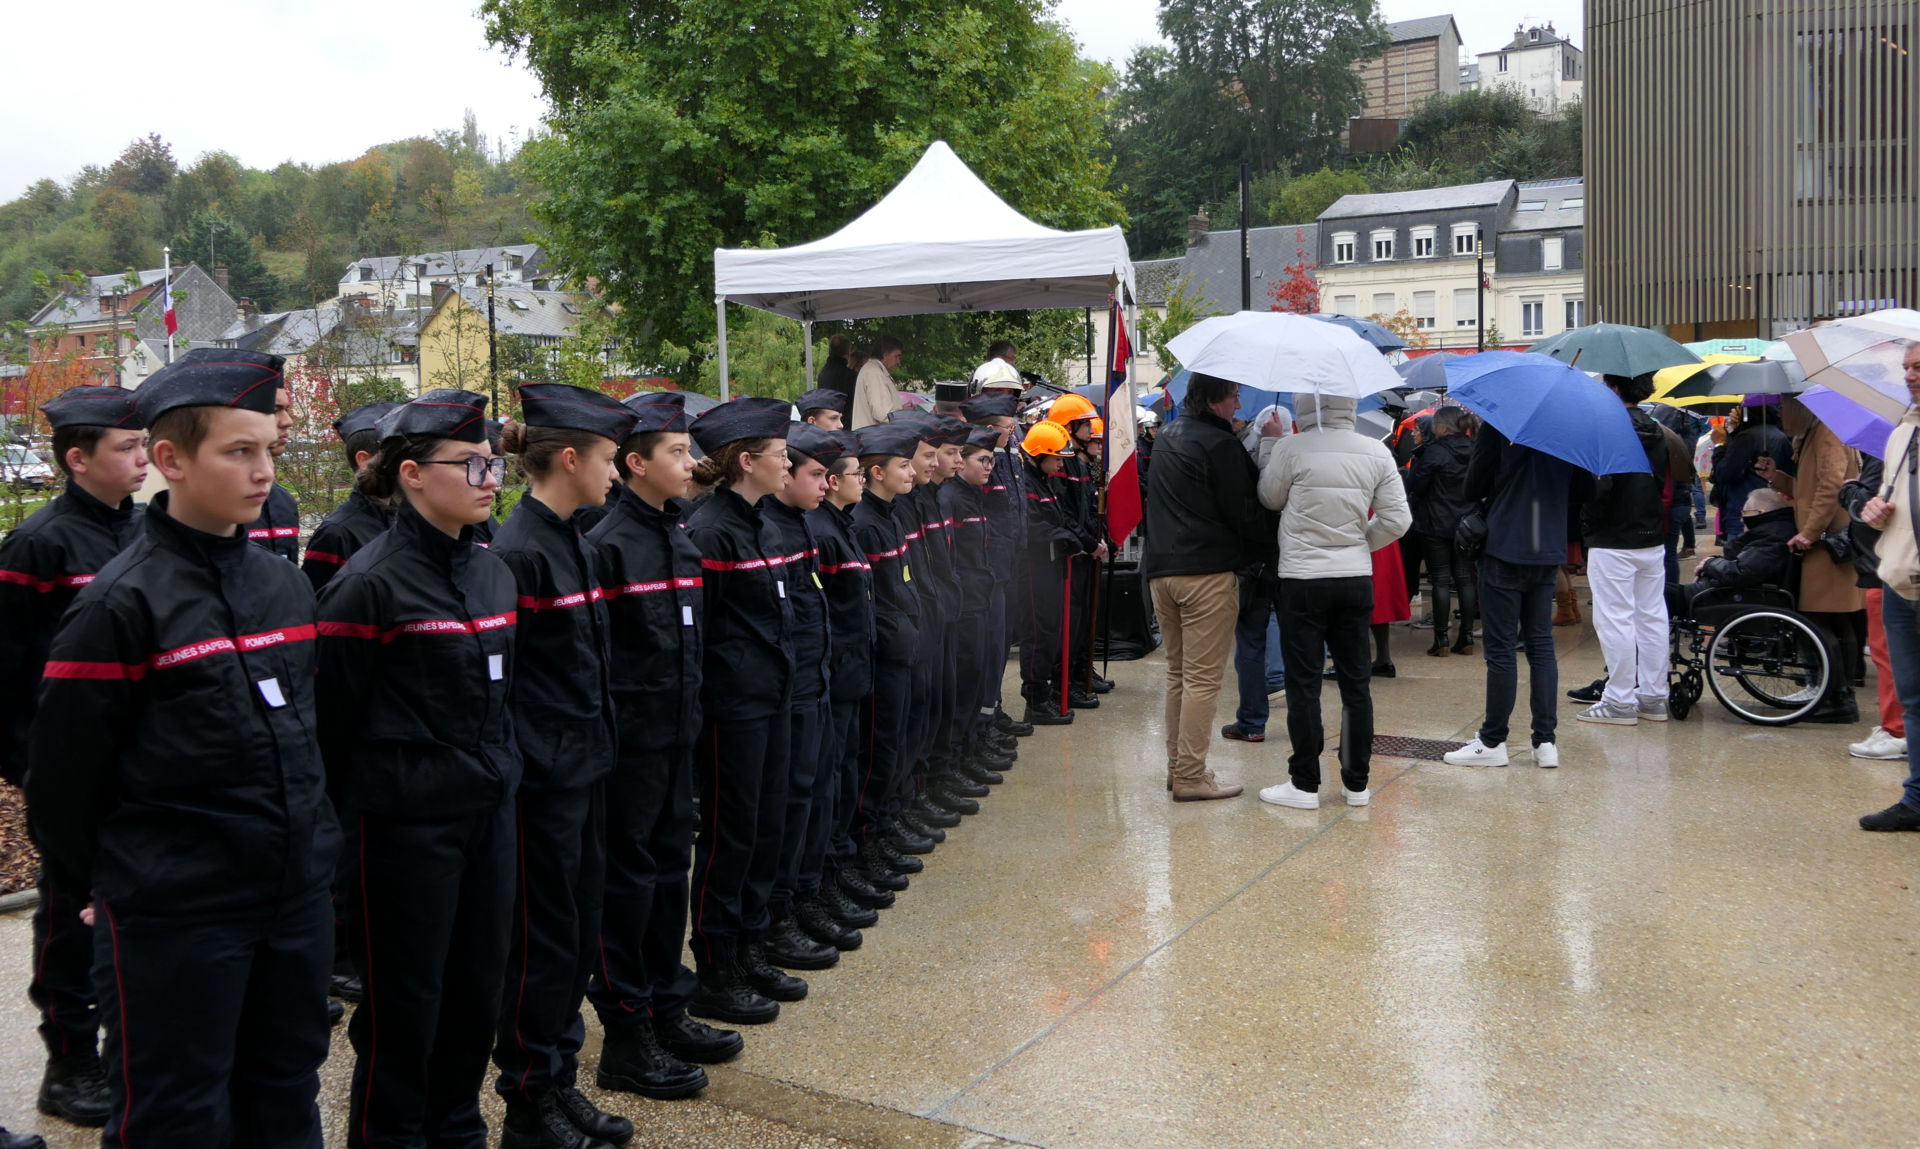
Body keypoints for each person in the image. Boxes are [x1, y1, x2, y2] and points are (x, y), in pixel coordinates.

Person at [28, 347, 342, 1148]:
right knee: (177, 1113)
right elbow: (63, 783)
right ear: (169, 458)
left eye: (270, 447)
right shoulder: (120, 605)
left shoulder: (283, 583)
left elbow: (309, 732)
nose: (264, 469)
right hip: (179, 912)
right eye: (240, 451)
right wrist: (110, 883)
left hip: (292, 897)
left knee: (284, 1090)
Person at [312, 389, 524, 1148]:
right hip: (402, 833)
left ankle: (457, 1126)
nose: (489, 476)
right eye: (469, 463)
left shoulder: (493, 573)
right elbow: (330, 728)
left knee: (477, 991)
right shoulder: (366, 586)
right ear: (410, 474)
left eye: (493, 461)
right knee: (406, 1007)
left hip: (487, 818)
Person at [489, 383, 637, 1149]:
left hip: (585, 767)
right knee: (541, 943)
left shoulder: (574, 539)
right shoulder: (518, 552)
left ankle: (561, 1079)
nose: (617, 474)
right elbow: (507, 686)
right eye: (611, 459)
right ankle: (528, 1100)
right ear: (571, 458)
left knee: (576, 935)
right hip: (544, 781)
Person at [585, 391, 741, 1096]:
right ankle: (626, 1034)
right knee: (629, 886)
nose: (691, 461)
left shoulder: (677, 533)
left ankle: (665, 1006)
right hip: (630, 749)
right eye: (676, 451)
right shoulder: (608, 546)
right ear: (635, 462)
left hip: (676, 737)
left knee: (665, 879)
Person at [0, 385, 146, 1132]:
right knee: (69, 913)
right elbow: (8, 665)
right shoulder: (38, 545)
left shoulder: (147, 531)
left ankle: (126, 1046)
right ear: (77, 458)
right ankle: (69, 1060)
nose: (143, 456)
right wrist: (29, 760)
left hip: (140, 766)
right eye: (126, 447)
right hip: (70, 769)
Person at [683, 396, 806, 1023]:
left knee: (766, 823)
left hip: (772, 693)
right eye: (782, 456)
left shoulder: (760, 521)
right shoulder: (712, 529)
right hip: (735, 705)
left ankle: (751, 941)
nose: (789, 465)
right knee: (732, 833)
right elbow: (705, 631)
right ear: (747, 460)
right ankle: (717, 961)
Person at [1255, 394, 1411, 810]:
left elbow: (1269, 499)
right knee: (1356, 684)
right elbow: (1398, 520)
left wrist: (1270, 445)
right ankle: (1357, 783)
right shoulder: (1375, 450)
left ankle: (1305, 782)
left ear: (1305, 406)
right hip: (1355, 579)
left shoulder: (1291, 447)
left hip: (1302, 580)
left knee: (1303, 684)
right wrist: (1360, 544)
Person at [1139, 373, 1277, 801]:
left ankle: (1178, 769)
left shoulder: (1167, 435)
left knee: (1179, 676)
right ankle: (1191, 776)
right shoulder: (1221, 445)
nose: (1239, 404)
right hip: (1206, 574)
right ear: (1216, 398)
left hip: (1163, 572)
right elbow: (1248, 515)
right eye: (1235, 395)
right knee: (1201, 680)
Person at [1445, 425, 1598, 769]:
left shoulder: (1499, 429)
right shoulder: (1568, 432)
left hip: (1505, 545)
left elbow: (1472, 487)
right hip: (1546, 544)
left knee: (1500, 651)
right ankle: (1545, 743)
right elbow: (1587, 490)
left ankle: (1492, 740)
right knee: (1541, 646)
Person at [759, 423, 847, 974]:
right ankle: (779, 912)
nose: (827, 484)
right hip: (785, 691)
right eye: (817, 474)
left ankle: (807, 892)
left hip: (815, 680)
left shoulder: (798, 526)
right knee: (788, 805)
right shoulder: (772, 529)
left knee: (815, 792)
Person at [805, 430, 887, 932]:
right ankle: (826, 876)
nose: (859, 480)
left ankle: (841, 863)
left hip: (853, 668)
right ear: (834, 481)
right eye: (854, 474)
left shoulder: (841, 525)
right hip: (831, 675)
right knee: (827, 779)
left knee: (845, 771)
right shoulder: (821, 529)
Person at [844, 423, 926, 907]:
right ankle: (869, 838)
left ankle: (886, 823)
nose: (912, 472)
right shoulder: (866, 522)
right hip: (887, 650)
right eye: (902, 466)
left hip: (904, 642)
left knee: (895, 743)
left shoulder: (889, 515)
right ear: (877, 472)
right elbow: (873, 598)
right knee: (877, 751)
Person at [1576, 374, 1676, 727]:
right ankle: (1653, 695)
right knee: (1651, 616)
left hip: (1613, 537)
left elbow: (1601, 488)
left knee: (1615, 618)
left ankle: (1619, 699)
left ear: (1615, 389)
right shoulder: (1655, 428)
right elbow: (1663, 481)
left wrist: (1587, 521)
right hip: (1650, 534)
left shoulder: (1609, 427)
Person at [1758, 394, 1864, 722]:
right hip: (1829, 543)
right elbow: (1810, 488)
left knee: (1818, 619)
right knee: (1836, 619)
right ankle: (1840, 695)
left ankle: (1835, 696)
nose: (1780, 411)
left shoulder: (1826, 432)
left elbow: (1830, 486)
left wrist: (1810, 532)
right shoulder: (1818, 432)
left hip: (1826, 545)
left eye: (1785, 404)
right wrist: (1775, 476)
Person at [1856, 339, 1920, 830]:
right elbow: (1886, 502)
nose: (1910, 375)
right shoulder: (1901, 435)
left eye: (1918, 367)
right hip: (1900, 582)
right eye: (1906, 368)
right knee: (1913, 697)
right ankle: (1916, 800)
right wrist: (1873, 510)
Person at [960, 392, 1033, 741]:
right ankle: (986, 714)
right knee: (989, 646)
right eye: (1008, 425)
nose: (1014, 429)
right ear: (990, 427)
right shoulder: (985, 461)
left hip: (1012, 560)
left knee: (1002, 642)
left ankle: (994, 707)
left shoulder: (1010, 456)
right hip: (991, 566)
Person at [1223, 404, 1290, 744]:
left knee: (1249, 642)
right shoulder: (1307, 460)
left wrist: (1267, 447)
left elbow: (1263, 499)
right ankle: (1305, 725)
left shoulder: (1247, 456)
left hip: (1257, 564)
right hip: (1296, 565)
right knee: (1302, 642)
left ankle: (1252, 720)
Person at [1015, 421, 1083, 727]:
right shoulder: (1026, 483)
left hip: (1050, 565)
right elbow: (1032, 525)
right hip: (1033, 567)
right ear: (1039, 455)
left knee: (1052, 628)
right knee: (1040, 631)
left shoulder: (1044, 480)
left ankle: (1044, 692)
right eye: (1056, 458)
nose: (1059, 464)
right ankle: (1036, 700)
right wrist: (1060, 534)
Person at [1046, 395, 1110, 706]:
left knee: (1082, 620)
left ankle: (1078, 675)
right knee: (1069, 625)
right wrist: (1088, 543)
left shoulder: (1076, 462)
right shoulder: (1065, 462)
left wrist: (1098, 541)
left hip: (1084, 553)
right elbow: (1065, 514)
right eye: (1085, 424)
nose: (1091, 431)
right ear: (1070, 426)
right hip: (1072, 555)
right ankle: (1063, 683)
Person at [1842, 452, 1907, 760]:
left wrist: (1850, 489)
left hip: (1885, 566)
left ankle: (1896, 729)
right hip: (1898, 565)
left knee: (1889, 653)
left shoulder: (1891, 445)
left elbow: (1868, 508)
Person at [302, 401, 401, 592]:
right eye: (397, 455)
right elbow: (317, 606)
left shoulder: (405, 520)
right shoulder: (336, 533)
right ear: (365, 460)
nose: (408, 464)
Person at [1406, 405, 1478, 657]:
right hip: (1467, 525)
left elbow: (1415, 485)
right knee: (1464, 578)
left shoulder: (1435, 451)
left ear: (1443, 427)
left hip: (1435, 523)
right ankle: (1467, 636)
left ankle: (1441, 640)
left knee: (1439, 580)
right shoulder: (1474, 448)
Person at [1666, 488, 1796, 615]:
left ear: (1759, 512)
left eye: (1745, 513)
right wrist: (1714, 562)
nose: (1741, 519)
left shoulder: (1772, 536)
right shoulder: (1774, 531)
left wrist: (1710, 564)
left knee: (1658, 595)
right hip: (1721, 591)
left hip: (1722, 595)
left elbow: (1741, 572)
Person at [1712, 402, 1794, 545]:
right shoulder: (1780, 435)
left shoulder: (1746, 437)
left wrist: (1719, 445)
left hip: (1745, 512)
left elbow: (1725, 473)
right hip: (1773, 510)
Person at [243, 377, 301, 562]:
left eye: (287, 410)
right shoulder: (216, 507)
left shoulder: (284, 502)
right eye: (274, 410)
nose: (288, 421)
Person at [851, 335, 905, 429]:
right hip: (874, 439)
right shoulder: (875, 373)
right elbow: (883, 414)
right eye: (896, 356)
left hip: (872, 438)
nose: (898, 361)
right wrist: (906, 416)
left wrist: (903, 410)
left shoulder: (874, 371)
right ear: (885, 355)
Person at [816, 334, 858, 404]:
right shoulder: (851, 376)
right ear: (848, 352)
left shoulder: (822, 373)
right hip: (844, 414)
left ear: (829, 351)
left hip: (826, 413)